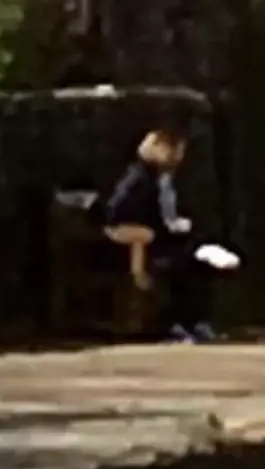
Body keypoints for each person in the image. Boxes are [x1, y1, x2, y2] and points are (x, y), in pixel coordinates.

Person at [102, 118, 239, 341]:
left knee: (196, 264)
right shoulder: (142, 178)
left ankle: (197, 322)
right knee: (184, 265)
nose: (179, 156)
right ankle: (180, 324)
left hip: (162, 240)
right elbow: (123, 217)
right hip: (148, 244)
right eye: (174, 149)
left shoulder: (159, 178)